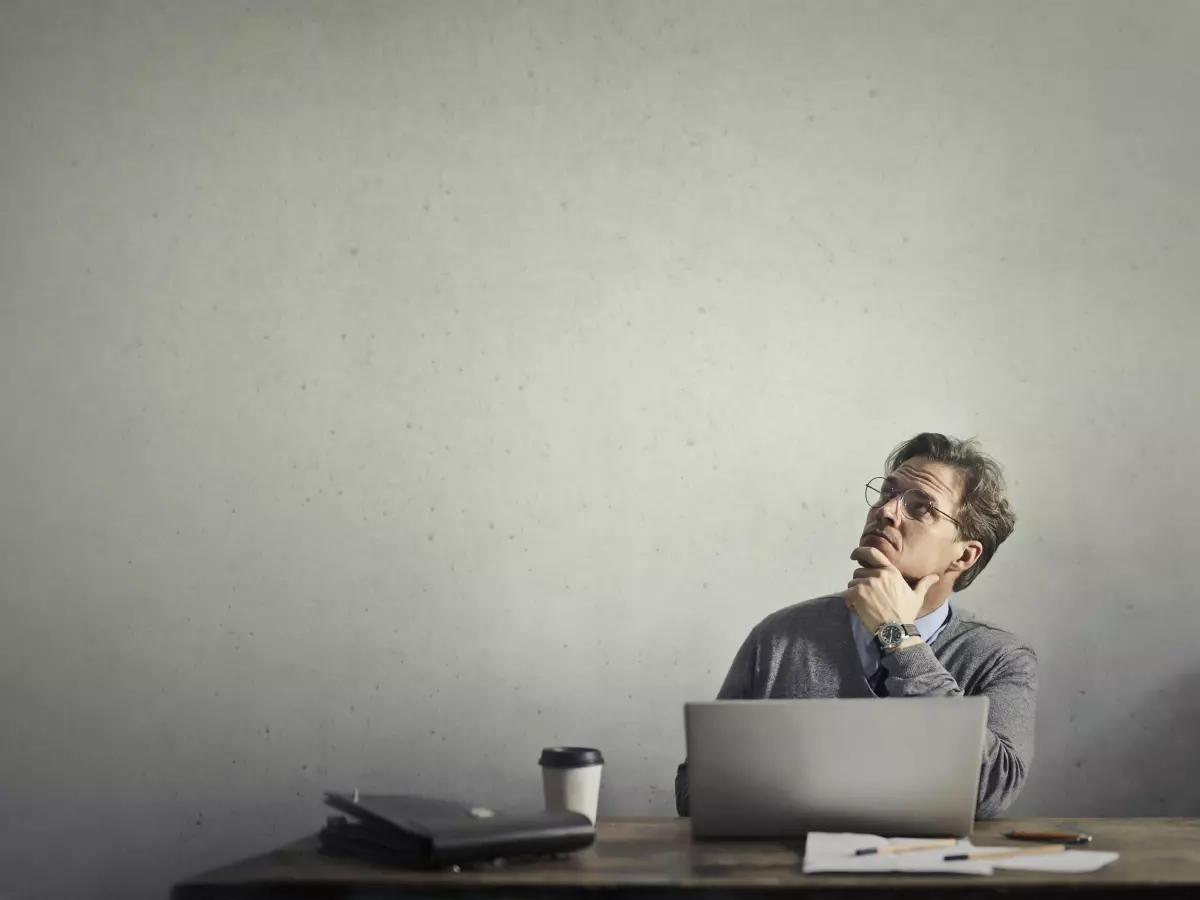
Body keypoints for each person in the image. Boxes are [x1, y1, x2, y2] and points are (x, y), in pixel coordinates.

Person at [675, 433, 1035, 820]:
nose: (887, 511)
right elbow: (696, 791)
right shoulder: (780, 637)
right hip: (786, 873)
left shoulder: (1000, 659)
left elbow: (991, 793)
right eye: (887, 493)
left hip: (926, 876)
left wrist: (898, 637)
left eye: (921, 507)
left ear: (964, 554)